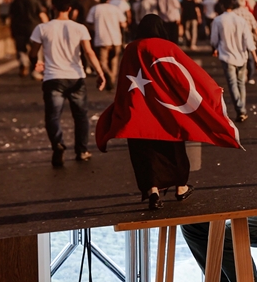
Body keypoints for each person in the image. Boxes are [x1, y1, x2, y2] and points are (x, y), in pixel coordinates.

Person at [96, 14, 241, 209]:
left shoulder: (131, 48)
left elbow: (125, 80)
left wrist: (121, 107)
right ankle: (181, 188)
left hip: (138, 110)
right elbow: (187, 74)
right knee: (174, 149)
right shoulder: (167, 47)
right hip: (166, 109)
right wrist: (210, 90)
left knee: (144, 153)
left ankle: (152, 192)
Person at [29, 0, 106, 167]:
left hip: (53, 78)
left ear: (53, 7)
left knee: (53, 116)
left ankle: (58, 144)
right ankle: (82, 150)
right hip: (76, 77)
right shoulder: (80, 28)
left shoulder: (42, 28)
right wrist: (100, 72)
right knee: (80, 116)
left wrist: (36, 63)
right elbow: (89, 52)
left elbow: (33, 53)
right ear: (70, 8)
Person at [209, 0, 257, 123]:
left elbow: (214, 40)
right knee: (241, 83)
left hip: (227, 56)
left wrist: (215, 48)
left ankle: (240, 109)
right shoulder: (241, 20)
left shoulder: (218, 20)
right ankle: (242, 108)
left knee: (232, 84)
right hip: (242, 56)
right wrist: (256, 59)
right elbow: (249, 41)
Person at [86, 0, 125, 89]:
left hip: (102, 38)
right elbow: (123, 23)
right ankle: (112, 79)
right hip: (116, 38)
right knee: (114, 61)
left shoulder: (95, 9)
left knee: (103, 62)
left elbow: (89, 22)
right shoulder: (115, 9)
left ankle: (108, 76)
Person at [8, 0, 46, 76]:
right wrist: (47, 26)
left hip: (19, 29)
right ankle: (36, 70)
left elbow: (11, 17)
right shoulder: (35, 1)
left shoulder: (15, 2)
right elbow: (42, 15)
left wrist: (12, 30)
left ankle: (23, 63)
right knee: (36, 50)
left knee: (21, 49)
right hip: (33, 29)